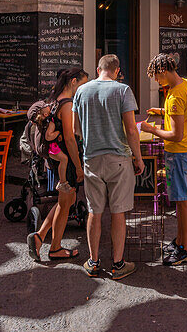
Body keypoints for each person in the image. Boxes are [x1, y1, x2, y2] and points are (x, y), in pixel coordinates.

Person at [72, 54, 144, 279]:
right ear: (117, 70)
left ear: (97, 69)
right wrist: (138, 158)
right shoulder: (122, 90)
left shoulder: (81, 91)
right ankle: (118, 264)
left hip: (91, 158)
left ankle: (93, 262)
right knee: (118, 212)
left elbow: (76, 128)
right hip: (119, 158)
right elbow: (131, 130)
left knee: (94, 211)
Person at [141, 52, 187, 266]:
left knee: (182, 201)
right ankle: (181, 241)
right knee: (182, 200)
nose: (156, 81)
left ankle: (185, 248)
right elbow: (184, 111)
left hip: (178, 152)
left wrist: (150, 129)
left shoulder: (174, 96)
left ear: (163, 71)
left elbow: (175, 134)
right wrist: (163, 111)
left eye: (156, 76)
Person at [27, 67, 85, 264]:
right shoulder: (67, 104)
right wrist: (78, 166)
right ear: (74, 82)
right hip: (66, 159)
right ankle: (55, 248)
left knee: (67, 201)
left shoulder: (53, 99)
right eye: (83, 84)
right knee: (65, 202)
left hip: (54, 157)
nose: (83, 89)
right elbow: (69, 138)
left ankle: (40, 236)